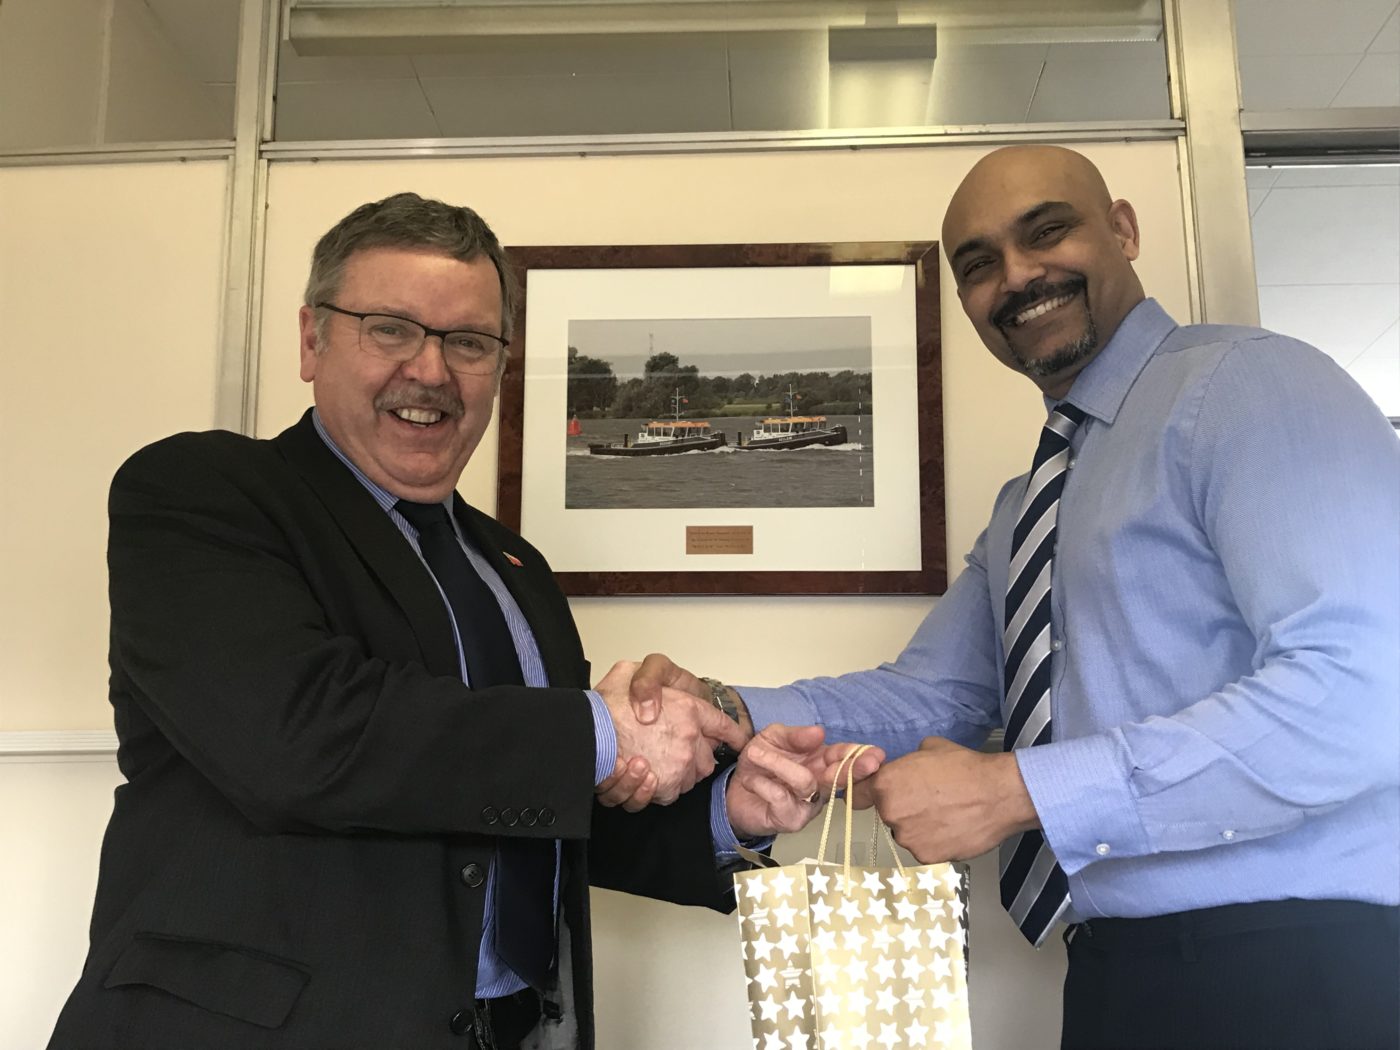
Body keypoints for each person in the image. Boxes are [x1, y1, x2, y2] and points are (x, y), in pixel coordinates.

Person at [46, 192, 867, 1050]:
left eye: (469, 342)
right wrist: (604, 730)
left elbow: (528, 799)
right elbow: (299, 738)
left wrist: (726, 808)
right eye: (390, 328)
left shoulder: (516, 569)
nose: (432, 370)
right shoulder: (201, 491)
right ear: (311, 340)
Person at [627, 146, 1400, 1049]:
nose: (1019, 277)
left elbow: (1366, 696)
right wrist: (714, 709)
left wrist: (1018, 789)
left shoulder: (1251, 384)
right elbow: (932, 698)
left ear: (1123, 228)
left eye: (1047, 231)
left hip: (1305, 970)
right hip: (1117, 972)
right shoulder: (1026, 504)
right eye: (979, 264)